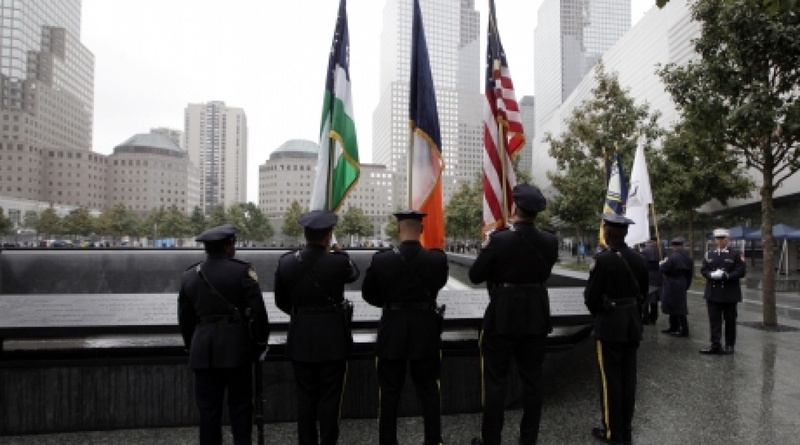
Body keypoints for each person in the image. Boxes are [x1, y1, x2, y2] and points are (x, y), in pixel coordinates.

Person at [468, 184, 559, 445]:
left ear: (515, 208)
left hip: (503, 316)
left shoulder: (498, 240)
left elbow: (475, 276)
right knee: (533, 381)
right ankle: (528, 439)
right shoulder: (550, 241)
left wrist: (489, 249)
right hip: (536, 316)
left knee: (496, 381)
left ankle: (491, 440)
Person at [361, 210, 449, 445]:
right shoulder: (437, 259)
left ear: (399, 229)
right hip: (425, 330)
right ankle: (433, 440)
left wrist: (391, 304)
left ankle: (387, 441)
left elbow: (368, 294)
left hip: (393, 330)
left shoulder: (381, 259)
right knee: (429, 391)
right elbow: (437, 285)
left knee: (390, 393)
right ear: (421, 230)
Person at [177, 224, 271, 445]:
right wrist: (260, 342)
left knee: (208, 410)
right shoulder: (242, 271)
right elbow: (258, 311)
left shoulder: (190, 275)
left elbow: (185, 317)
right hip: (236, 348)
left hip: (202, 350)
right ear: (228, 247)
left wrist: (191, 345)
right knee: (240, 406)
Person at [274, 210, 360, 445]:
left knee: (305, 398)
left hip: (300, 337)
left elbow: (281, 302)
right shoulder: (338, 261)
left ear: (304, 234)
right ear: (329, 235)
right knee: (331, 399)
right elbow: (354, 274)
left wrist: (301, 316)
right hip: (333, 339)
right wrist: (341, 252)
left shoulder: (287, 262)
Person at [584, 214, 648, 445]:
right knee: (628, 377)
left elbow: (591, 297)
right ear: (626, 234)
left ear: (608, 234)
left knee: (609, 379)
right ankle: (626, 427)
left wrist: (601, 312)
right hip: (632, 323)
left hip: (610, 324)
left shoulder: (602, 261)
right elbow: (643, 291)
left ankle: (613, 432)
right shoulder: (639, 259)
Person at [699, 228, 746, 355]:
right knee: (714, 320)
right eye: (718, 239)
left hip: (729, 293)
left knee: (730, 320)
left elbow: (741, 271)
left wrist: (727, 276)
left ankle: (729, 345)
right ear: (714, 240)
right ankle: (715, 345)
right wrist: (710, 274)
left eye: (723, 238)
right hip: (713, 292)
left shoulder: (735, 254)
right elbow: (703, 270)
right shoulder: (710, 254)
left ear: (728, 239)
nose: (720, 241)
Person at [659, 237, 693, 337]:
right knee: (679, 305)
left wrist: (661, 264)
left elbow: (664, 269)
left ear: (673, 246)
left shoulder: (672, 257)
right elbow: (689, 273)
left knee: (674, 305)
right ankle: (676, 327)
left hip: (672, 282)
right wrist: (687, 284)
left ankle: (680, 328)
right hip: (682, 281)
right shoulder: (687, 257)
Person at [639, 236, 663, 325]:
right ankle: (653, 317)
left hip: (648, 277)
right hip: (657, 277)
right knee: (654, 300)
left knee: (646, 299)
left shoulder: (644, 251)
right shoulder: (659, 250)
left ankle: (646, 318)